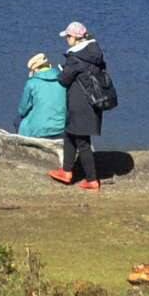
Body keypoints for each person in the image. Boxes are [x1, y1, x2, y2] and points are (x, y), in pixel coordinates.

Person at [55, 20, 114, 190]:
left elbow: (64, 80)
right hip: (93, 102)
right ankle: (66, 171)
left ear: (75, 37)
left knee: (82, 142)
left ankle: (92, 180)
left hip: (80, 104)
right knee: (69, 135)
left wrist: (61, 70)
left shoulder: (75, 58)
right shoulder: (94, 52)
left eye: (67, 36)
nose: (66, 39)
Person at [15, 51, 67, 165]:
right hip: (62, 127)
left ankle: (25, 149)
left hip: (40, 130)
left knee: (18, 121)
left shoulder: (32, 83)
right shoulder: (63, 79)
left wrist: (30, 80)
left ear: (34, 70)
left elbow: (22, 110)